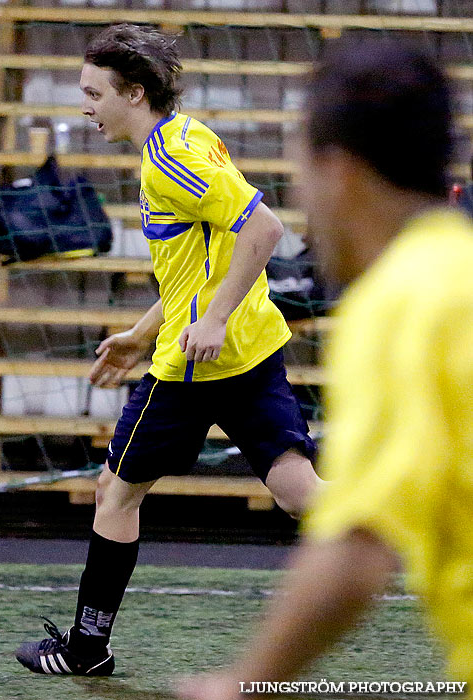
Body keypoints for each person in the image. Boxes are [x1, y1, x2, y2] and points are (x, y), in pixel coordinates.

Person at [16, 23, 322, 677]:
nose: (85, 107)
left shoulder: (168, 160)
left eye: (93, 93)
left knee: (114, 494)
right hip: (251, 350)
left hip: (193, 367)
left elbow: (265, 230)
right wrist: (142, 331)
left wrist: (207, 323)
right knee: (303, 495)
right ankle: (432, 533)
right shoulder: (183, 138)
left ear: (132, 92)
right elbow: (202, 263)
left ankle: (85, 650)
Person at [177, 39, 473, 700]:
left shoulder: (400, 303)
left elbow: (354, 555)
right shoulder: (455, 271)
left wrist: (238, 685)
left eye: (298, 178)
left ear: (336, 174)